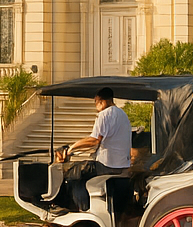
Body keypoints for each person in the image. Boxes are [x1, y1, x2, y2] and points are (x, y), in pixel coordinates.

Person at [47, 87, 132, 215]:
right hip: (122, 165)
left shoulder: (104, 115)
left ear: (101, 101)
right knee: (81, 169)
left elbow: (94, 141)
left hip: (107, 165)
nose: (95, 106)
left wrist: (72, 148)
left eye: (96, 102)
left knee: (70, 172)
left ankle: (78, 208)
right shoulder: (122, 115)